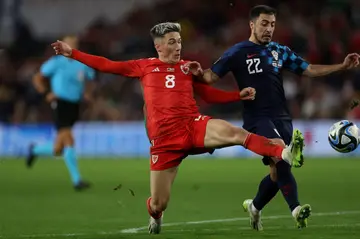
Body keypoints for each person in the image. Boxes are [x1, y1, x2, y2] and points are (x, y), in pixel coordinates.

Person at [51, 22, 305, 234]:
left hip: (192, 125)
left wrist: (236, 96)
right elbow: (106, 64)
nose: (178, 46)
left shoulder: (187, 67)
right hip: (164, 142)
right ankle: (155, 214)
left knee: (235, 133)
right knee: (160, 201)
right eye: (172, 42)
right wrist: (72, 53)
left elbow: (208, 95)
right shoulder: (144, 66)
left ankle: (282, 152)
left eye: (179, 41)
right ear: (158, 46)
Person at [185, 5, 360, 230]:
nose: (269, 29)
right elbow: (209, 77)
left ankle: (255, 207)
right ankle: (296, 210)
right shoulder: (237, 52)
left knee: (278, 173)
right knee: (281, 155)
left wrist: (342, 66)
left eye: (273, 24)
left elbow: (309, 69)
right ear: (252, 25)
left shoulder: (280, 51)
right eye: (264, 24)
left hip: (282, 118)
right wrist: (196, 72)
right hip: (257, 118)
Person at [28, 35, 95, 191]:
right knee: (69, 139)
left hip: (74, 105)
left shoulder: (82, 63)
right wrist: (46, 93)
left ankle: (35, 150)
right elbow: (37, 78)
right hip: (60, 103)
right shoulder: (56, 63)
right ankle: (77, 180)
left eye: (74, 44)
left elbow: (91, 80)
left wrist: (87, 93)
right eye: (69, 44)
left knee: (59, 148)